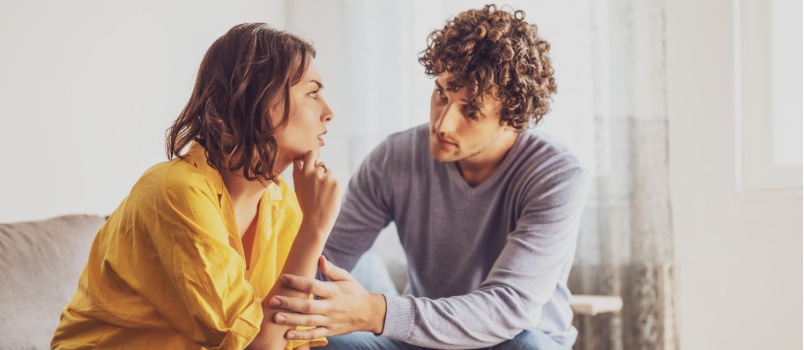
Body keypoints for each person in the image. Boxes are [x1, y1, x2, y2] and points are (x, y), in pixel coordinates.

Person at [266, 5, 590, 349]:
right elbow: (322, 267)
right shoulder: (394, 158)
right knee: (319, 340)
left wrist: (376, 312)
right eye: (442, 94)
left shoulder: (557, 175)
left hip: (511, 340)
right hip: (420, 341)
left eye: (471, 111)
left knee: (529, 345)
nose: (442, 124)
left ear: (513, 119)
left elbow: (508, 308)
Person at [51, 23, 339, 350]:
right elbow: (258, 345)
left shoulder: (282, 201)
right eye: (313, 93)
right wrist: (314, 228)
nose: (329, 113)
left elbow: (294, 339)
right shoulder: (175, 192)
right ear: (259, 98)